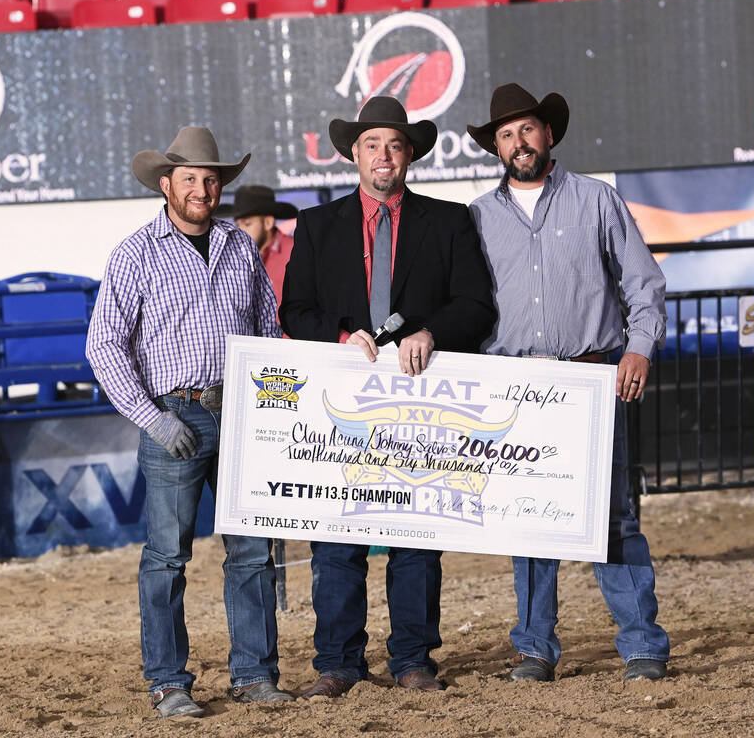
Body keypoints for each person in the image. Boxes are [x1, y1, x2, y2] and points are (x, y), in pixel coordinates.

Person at [279, 96, 496, 698]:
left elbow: (476, 305)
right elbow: (293, 308)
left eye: (395, 145)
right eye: (372, 144)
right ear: (354, 154)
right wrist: (341, 335)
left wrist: (432, 332)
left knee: (416, 538)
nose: (383, 155)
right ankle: (338, 663)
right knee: (337, 540)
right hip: (342, 404)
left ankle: (412, 660)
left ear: (410, 156)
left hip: (422, 402)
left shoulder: (449, 222)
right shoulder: (319, 226)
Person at [466, 83, 672, 683]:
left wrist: (638, 349)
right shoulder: (477, 218)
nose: (517, 142)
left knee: (614, 517)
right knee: (530, 521)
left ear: (548, 134)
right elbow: (468, 306)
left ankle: (641, 645)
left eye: (526, 129)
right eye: (505, 134)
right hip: (518, 386)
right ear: (496, 148)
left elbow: (643, 282)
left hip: (590, 379)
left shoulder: (596, 200)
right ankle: (534, 648)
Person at [85, 127, 292, 719]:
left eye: (211, 178)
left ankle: (254, 675)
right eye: (191, 179)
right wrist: (152, 419)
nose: (202, 188)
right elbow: (104, 346)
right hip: (175, 412)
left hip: (241, 411)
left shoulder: (239, 246)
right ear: (166, 185)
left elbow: (267, 329)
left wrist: (272, 402)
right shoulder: (135, 253)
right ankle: (168, 682)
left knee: (252, 551)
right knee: (167, 558)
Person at [216, 184, 299, 306]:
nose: (240, 231)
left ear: (268, 223)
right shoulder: (232, 256)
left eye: (247, 224)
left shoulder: (297, 252)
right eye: (238, 225)